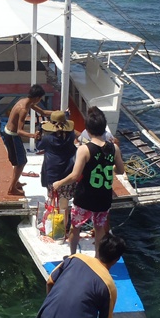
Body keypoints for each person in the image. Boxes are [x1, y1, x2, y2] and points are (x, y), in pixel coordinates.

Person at [36, 232, 127, 318]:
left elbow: (50, 282)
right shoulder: (108, 285)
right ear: (116, 259)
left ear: (98, 248)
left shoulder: (75, 258)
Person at [52, 106, 125, 255]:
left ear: (88, 130)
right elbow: (121, 170)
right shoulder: (114, 148)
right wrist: (109, 168)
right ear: (104, 128)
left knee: (76, 227)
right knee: (99, 228)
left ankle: (73, 255)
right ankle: (97, 257)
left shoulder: (84, 149)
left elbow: (74, 175)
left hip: (85, 196)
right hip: (104, 197)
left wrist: (58, 183)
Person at [1, 84, 53, 196]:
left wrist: (59, 113)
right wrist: (33, 135)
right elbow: (19, 131)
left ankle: (16, 182)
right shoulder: (24, 109)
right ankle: (12, 189)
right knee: (21, 162)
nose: (40, 100)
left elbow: (43, 113)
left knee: (18, 161)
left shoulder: (26, 101)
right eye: (40, 98)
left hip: (11, 133)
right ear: (36, 98)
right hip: (12, 135)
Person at [36, 110, 77, 238]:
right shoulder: (70, 136)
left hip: (53, 173)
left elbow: (38, 146)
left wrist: (39, 131)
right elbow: (67, 130)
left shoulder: (48, 139)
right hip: (68, 173)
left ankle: (55, 227)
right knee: (64, 203)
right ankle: (64, 228)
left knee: (53, 200)